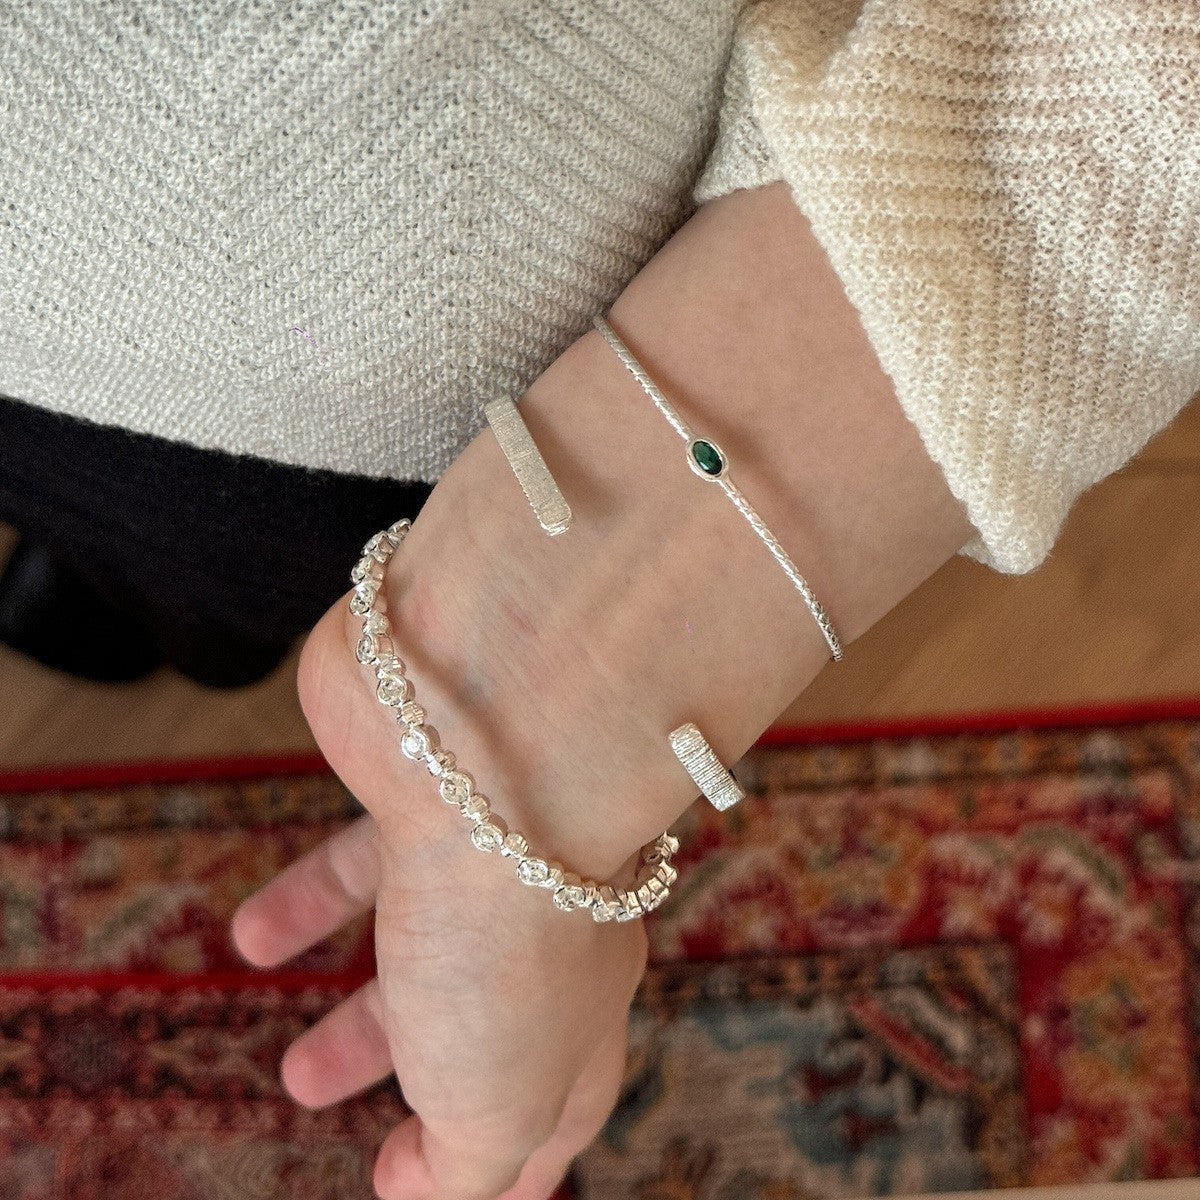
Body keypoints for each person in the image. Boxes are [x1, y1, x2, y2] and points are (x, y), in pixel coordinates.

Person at [3, 2, 1198, 1198]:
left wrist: (561, 667)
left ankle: (173, 624)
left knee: (195, 591)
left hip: (345, 318)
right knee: (133, 558)